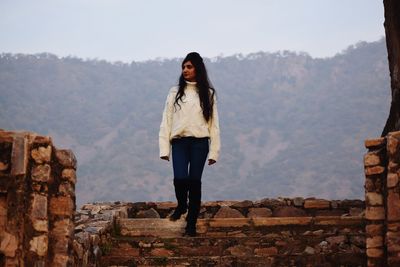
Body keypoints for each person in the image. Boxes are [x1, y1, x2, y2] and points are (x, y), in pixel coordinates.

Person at [159, 52, 220, 236]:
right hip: (179, 142)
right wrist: (164, 148)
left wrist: (214, 152)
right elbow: (166, 120)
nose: (185, 70)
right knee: (180, 178)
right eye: (183, 67)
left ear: (197, 69)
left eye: (189, 67)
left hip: (200, 144)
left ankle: (191, 225)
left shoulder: (208, 94)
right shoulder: (174, 92)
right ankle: (181, 205)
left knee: (194, 182)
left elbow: (214, 124)